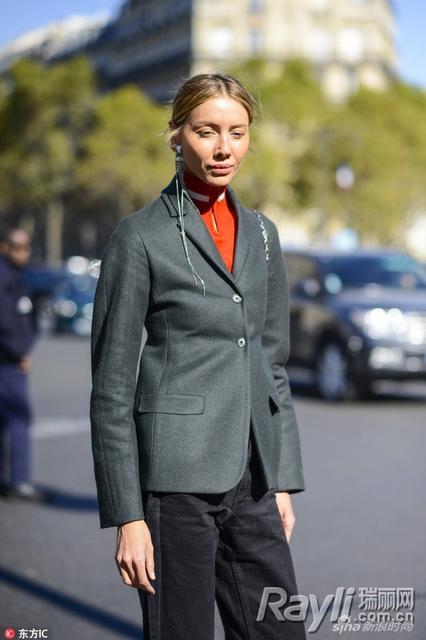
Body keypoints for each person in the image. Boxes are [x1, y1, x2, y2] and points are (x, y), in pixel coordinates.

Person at [90, 73, 307, 639]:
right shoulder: (139, 236)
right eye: (206, 131)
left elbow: (272, 363)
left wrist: (281, 478)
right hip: (175, 483)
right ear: (177, 135)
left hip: (253, 481)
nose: (223, 147)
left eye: (237, 132)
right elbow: (111, 388)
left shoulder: (263, 234)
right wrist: (128, 515)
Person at [0, 227, 45, 501]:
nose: (23, 252)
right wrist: (20, 354)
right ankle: (18, 481)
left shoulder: (16, 276)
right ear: (4, 247)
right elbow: (5, 321)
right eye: (17, 246)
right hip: (8, 363)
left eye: (26, 246)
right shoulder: (5, 277)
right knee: (19, 418)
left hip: (10, 359)